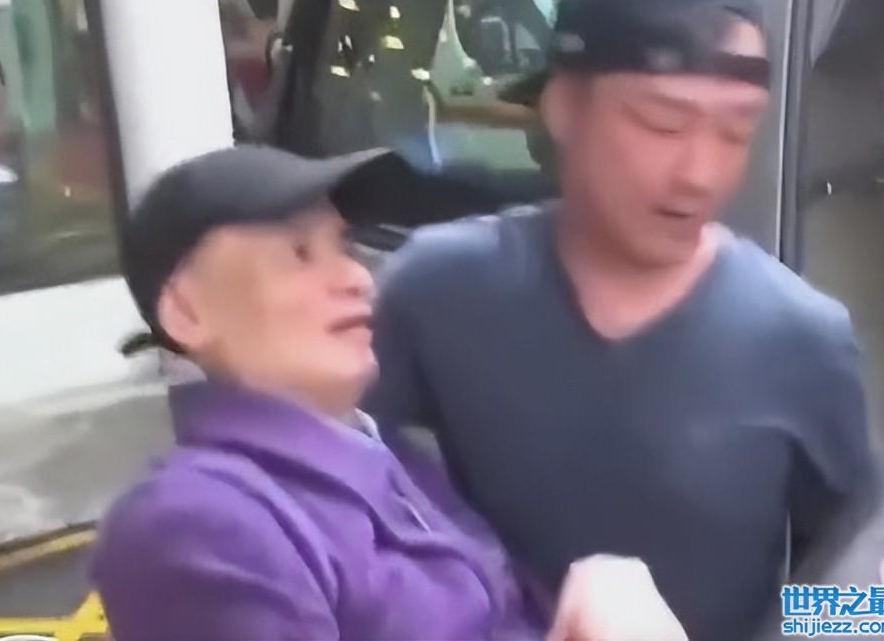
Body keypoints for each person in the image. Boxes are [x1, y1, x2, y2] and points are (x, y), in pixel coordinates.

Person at [362, 0, 876, 641]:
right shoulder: (436, 291)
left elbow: (864, 592)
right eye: (662, 123)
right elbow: (336, 504)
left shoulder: (802, 337)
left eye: (736, 132)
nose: (700, 173)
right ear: (563, 107)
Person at [91, 144, 689, 641]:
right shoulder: (197, 525)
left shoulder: (390, 457)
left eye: (345, 247)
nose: (357, 277)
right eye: (299, 252)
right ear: (188, 311)